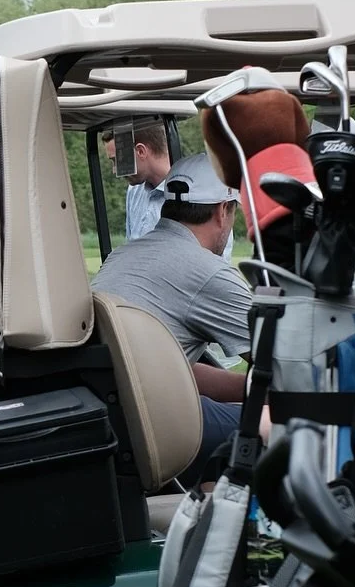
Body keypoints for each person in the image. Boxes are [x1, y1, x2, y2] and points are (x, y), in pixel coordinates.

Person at [92, 151, 252, 472]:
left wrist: (247, 390)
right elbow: (289, 362)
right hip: (148, 425)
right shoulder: (210, 273)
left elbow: (171, 370)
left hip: (108, 415)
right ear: (223, 211)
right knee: (285, 429)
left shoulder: (123, 255)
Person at [104, 120, 172, 240]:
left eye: (117, 161)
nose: (115, 170)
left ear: (141, 151)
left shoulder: (191, 193)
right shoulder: (134, 191)